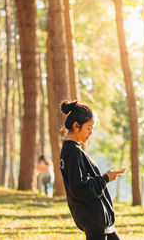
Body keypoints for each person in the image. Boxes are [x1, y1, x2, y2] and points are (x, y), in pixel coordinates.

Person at [60, 100, 125, 240]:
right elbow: (80, 188)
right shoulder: (73, 153)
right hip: (94, 221)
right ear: (76, 126)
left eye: (92, 128)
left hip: (99, 222)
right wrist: (105, 179)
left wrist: (104, 178)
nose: (91, 133)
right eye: (88, 128)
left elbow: (81, 183)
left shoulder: (71, 151)